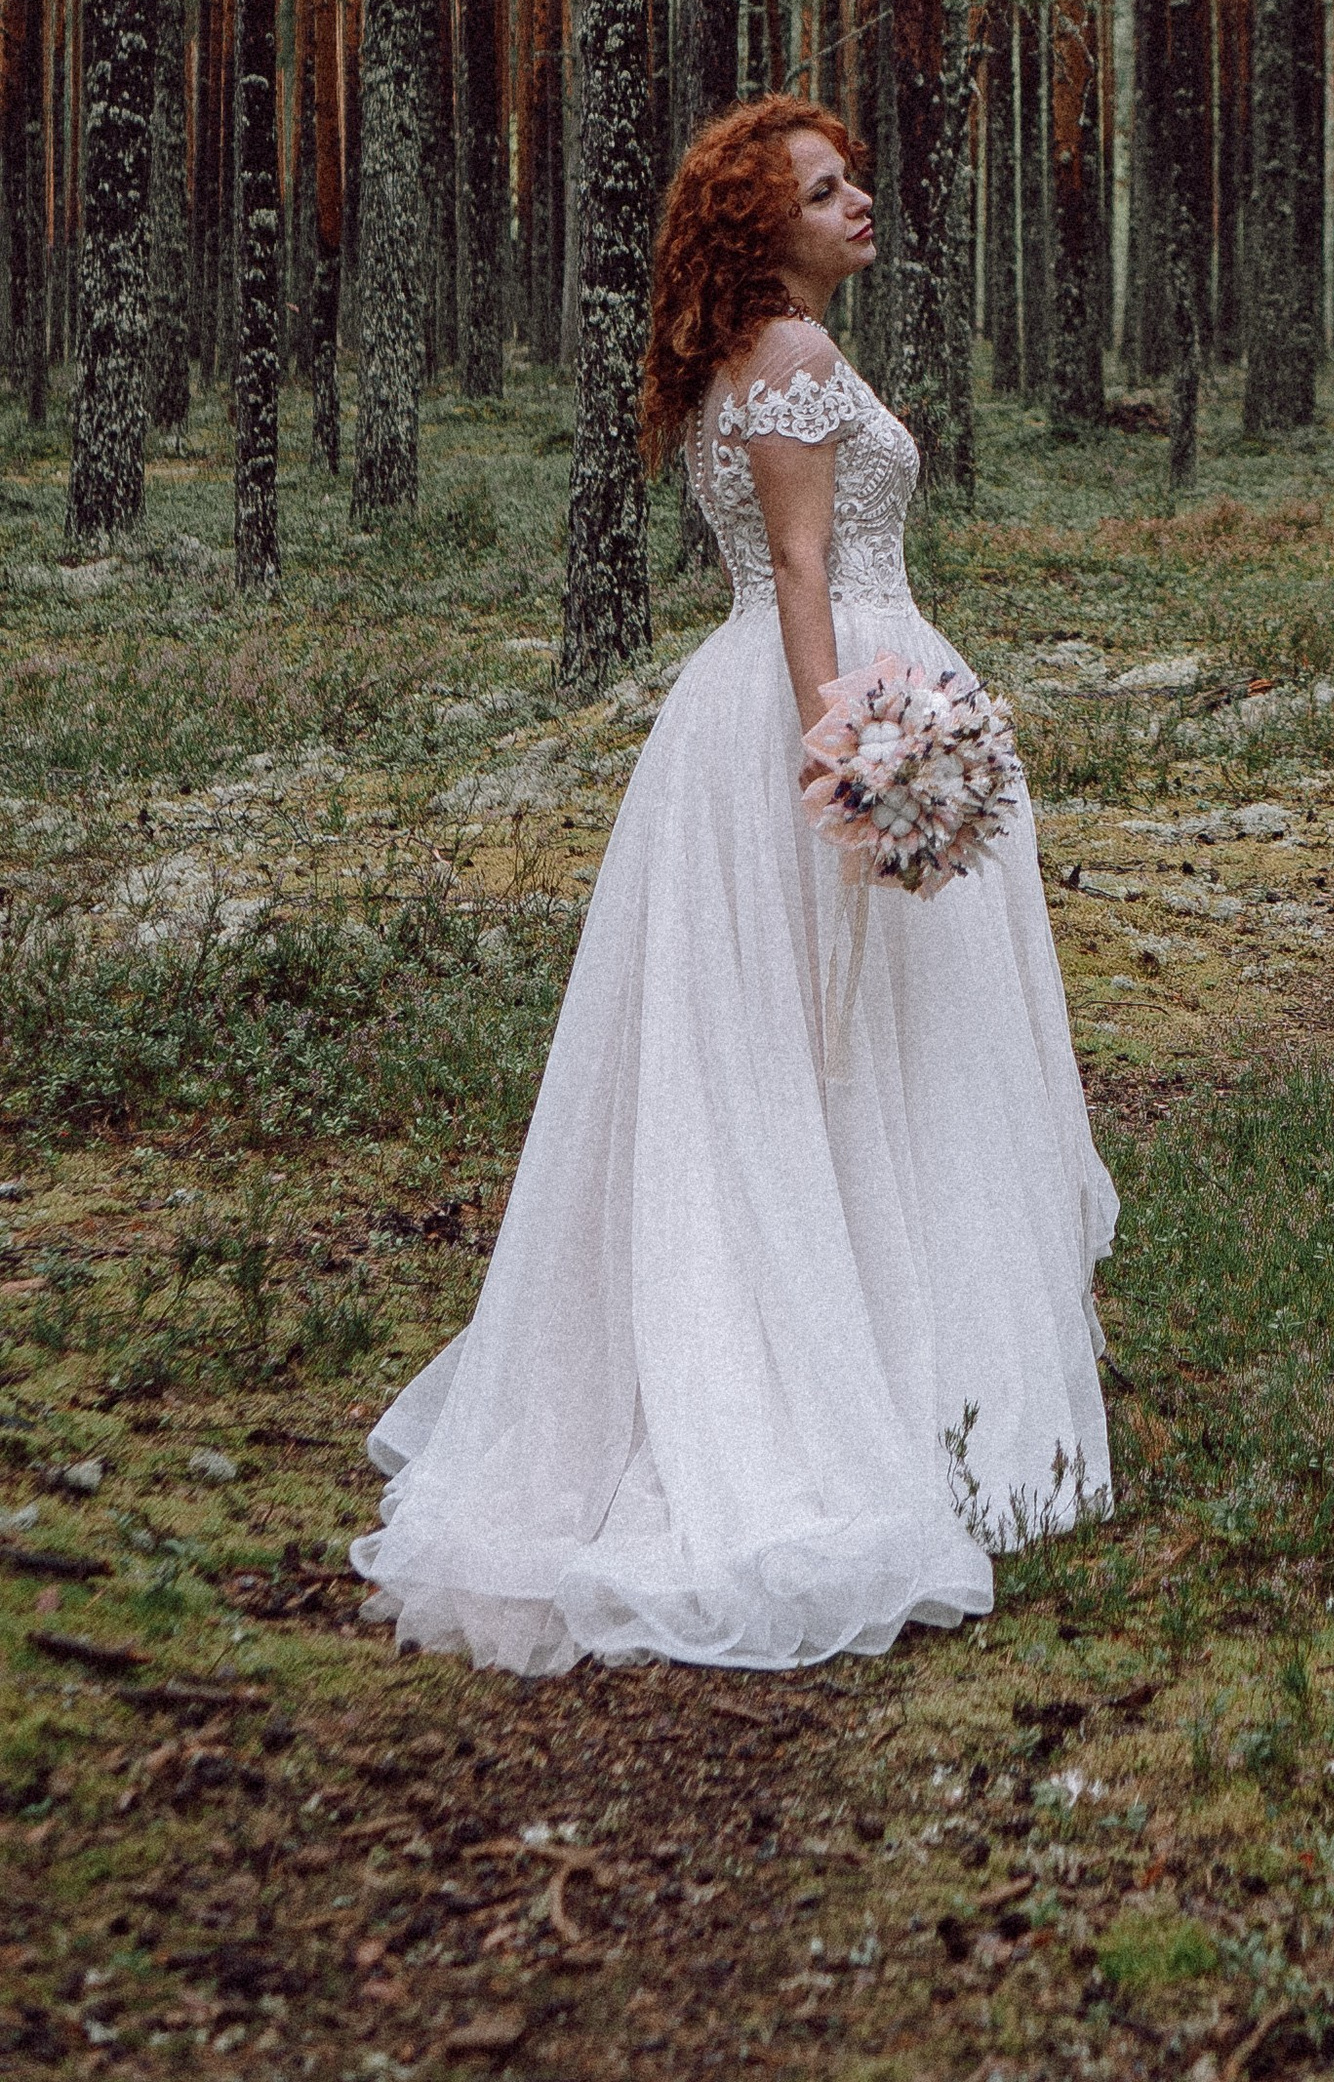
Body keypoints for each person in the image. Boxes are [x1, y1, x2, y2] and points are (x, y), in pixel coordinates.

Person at [351, 97, 1115, 1675]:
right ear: (766, 230)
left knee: (844, 1054)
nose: (863, 201)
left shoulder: (752, 362)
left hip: (779, 700)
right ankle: (876, 1390)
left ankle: (899, 1361)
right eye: (830, 190)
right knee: (839, 1045)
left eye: (854, 176)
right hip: (819, 697)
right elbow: (798, 569)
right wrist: (852, 743)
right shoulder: (798, 366)